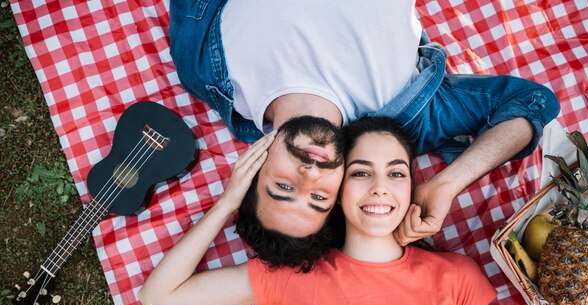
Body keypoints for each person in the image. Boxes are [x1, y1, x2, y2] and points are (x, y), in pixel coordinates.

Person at [139, 117, 507, 305]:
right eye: (361, 173)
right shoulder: (295, 275)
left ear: (412, 185)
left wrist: (447, 184)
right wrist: (229, 201)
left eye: (396, 174)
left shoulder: (456, 275)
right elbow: (160, 294)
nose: (380, 188)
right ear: (335, 191)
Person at [168, 0, 561, 259]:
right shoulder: (406, 122)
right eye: (320, 198)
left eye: (284, 188)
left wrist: (225, 205)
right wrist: (445, 184)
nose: (309, 176)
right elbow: (532, 103)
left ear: (251, 172)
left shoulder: (201, 68)